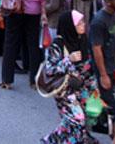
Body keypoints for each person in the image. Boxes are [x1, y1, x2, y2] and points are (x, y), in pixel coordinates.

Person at [41, 11, 100, 144]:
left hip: (82, 87)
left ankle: (54, 140)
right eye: (79, 23)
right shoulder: (57, 45)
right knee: (77, 119)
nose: (83, 25)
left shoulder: (83, 40)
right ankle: (57, 140)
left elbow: (87, 67)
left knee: (84, 118)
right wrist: (68, 59)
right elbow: (50, 69)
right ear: (70, 26)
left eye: (83, 22)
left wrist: (94, 90)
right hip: (65, 90)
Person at [90, 0, 115, 123]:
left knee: (106, 104)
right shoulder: (98, 21)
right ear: (108, 2)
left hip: (111, 64)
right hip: (101, 67)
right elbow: (96, 49)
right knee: (110, 106)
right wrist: (103, 75)